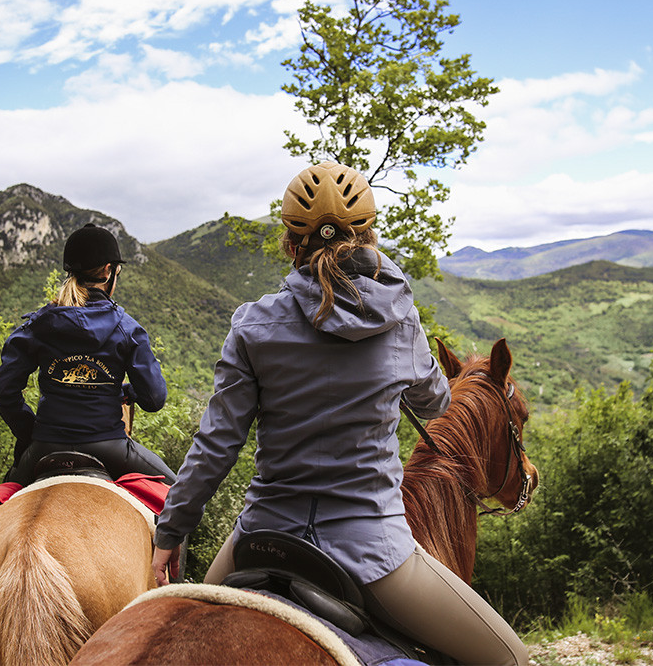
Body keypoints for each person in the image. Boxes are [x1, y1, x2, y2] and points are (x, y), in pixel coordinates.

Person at [152, 162, 528, 666]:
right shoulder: (400, 321)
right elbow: (438, 405)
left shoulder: (253, 325)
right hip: (373, 550)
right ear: (369, 234)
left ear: (290, 243)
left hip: (262, 536)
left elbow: (216, 446)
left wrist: (170, 533)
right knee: (511, 659)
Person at [0, 222, 177, 485]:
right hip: (110, 447)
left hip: (45, 445)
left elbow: (2, 388)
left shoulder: (39, 325)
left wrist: (30, 432)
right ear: (108, 271)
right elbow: (154, 399)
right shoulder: (128, 329)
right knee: (183, 499)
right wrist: (128, 391)